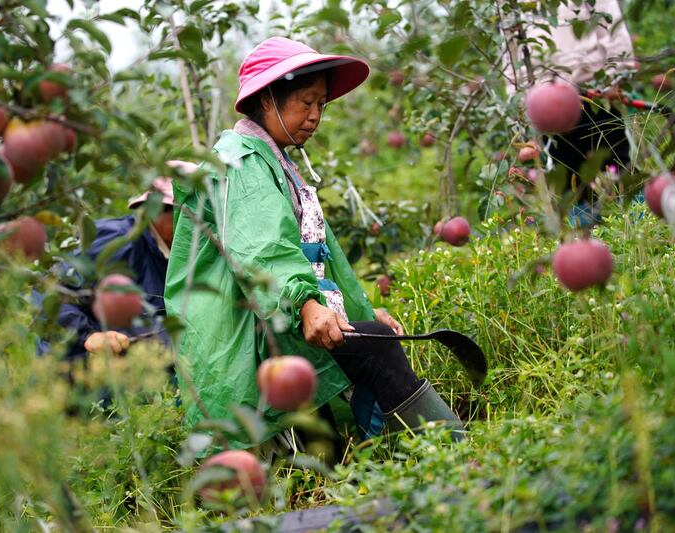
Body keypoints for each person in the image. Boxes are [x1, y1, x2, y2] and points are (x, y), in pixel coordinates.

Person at [164, 37, 464, 448]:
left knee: (350, 388)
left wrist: (357, 309)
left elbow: (320, 257)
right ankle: (453, 454)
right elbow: (264, 248)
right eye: (306, 102)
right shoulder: (243, 160)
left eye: (321, 104)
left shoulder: (276, 160)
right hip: (254, 329)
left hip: (281, 316)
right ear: (268, 99)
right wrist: (306, 304)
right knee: (377, 354)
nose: (315, 116)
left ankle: (390, 469)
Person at [41, 163, 194, 360]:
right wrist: (88, 335)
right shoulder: (117, 241)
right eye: (185, 217)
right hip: (80, 377)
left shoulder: (183, 259)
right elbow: (50, 291)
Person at [503, 0, 636, 225]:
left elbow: (613, 28)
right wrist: (523, 120)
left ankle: (637, 227)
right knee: (568, 176)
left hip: (595, 92)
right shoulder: (512, 5)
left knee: (616, 164)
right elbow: (512, 62)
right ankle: (585, 236)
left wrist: (617, 75)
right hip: (548, 104)